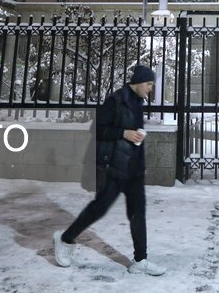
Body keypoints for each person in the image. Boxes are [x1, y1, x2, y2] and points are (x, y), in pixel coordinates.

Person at [53, 64, 166, 276]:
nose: (151, 88)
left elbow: (132, 131)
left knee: (138, 213)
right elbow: (97, 129)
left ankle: (140, 260)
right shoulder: (115, 100)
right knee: (99, 208)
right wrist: (123, 133)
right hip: (114, 168)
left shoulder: (138, 102)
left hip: (133, 168)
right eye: (149, 83)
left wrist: (137, 136)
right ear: (139, 82)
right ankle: (64, 239)